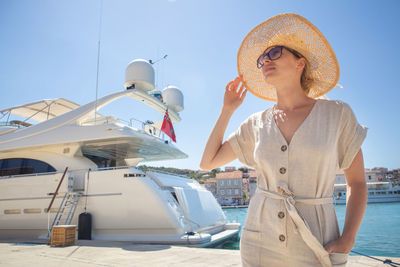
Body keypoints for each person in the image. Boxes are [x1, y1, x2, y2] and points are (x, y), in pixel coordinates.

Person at [200, 13, 368, 267]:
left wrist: (349, 238)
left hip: (318, 240)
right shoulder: (255, 124)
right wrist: (227, 110)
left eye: (275, 52)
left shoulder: (337, 114)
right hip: (259, 240)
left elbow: (357, 182)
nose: (266, 59)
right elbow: (207, 163)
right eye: (262, 57)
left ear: (300, 63)